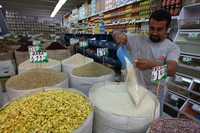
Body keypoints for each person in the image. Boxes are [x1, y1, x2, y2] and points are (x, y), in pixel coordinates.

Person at [112, 9, 180, 113]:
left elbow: (171, 70)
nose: (154, 32)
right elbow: (116, 33)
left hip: (156, 92)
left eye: (159, 29)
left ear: (167, 29)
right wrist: (117, 34)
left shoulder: (172, 47)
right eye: (152, 28)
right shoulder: (138, 39)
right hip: (135, 90)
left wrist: (150, 65)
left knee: (151, 118)